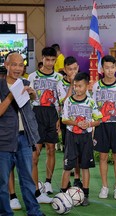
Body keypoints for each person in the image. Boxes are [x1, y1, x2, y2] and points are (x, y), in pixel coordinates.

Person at [0, 52, 44, 215]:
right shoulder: (0, 86)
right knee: (2, 181)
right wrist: (12, 95)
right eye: (14, 64)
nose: (17, 68)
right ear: (6, 65)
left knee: (27, 179)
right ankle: (5, 213)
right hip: (3, 140)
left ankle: (34, 211)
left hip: (24, 138)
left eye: (20, 65)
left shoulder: (25, 82)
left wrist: (32, 95)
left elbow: (30, 106)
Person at [60, 72, 102, 206]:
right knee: (67, 166)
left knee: (85, 167)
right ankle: (62, 194)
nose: (77, 89)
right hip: (71, 136)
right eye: (75, 86)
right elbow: (64, 120)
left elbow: (99, 120)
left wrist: (88, 124)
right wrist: (76, 123)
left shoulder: (91, 102)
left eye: (80, 86)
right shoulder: (68, 101)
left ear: (87, 85)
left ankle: (85, 194)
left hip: (86, 137)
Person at [92, 55, 116, 200]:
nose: (109, 70)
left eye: (112, 67)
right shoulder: (96, 86)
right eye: (106, 68)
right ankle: (104, 187)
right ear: (102, 69)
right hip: (102, 126)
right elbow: (94, 106)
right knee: (102, 156)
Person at [28, 47, 62, 200]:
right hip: (36, 114)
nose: (49, 63)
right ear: (42, 58)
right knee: (35, 155)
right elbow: (27, 100)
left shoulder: (58, 78)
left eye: (52, 60)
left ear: (55, 60)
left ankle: (48, 182)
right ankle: (35, 190)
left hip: (51, 114)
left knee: (51, 149)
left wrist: (59, 118)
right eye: (47, 59)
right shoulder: (32, 76)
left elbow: (60, 101)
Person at [57, 56, 83, 187]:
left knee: (79, 152)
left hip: (80, 123)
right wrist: (72, 86)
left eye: (75, 69)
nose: (73, 72)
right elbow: (65, 101)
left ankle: (77, 178)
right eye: (70, 69)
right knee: (68, 152)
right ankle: (65, 182)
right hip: (67, 122)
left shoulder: (82, 82)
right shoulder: (60, 84)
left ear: (78, 68)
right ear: (65, 70)